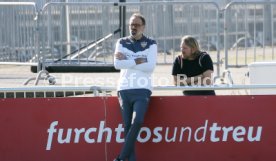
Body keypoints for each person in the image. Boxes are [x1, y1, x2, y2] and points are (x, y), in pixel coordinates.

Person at [113, 13, 157, 161]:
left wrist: (128, 58)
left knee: (137, 121)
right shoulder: (121, 41)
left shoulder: (151, 43)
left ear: (143, 27)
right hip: (124, 88)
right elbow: (117, 64)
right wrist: (140, 59)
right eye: (131, 24)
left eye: (137, 25)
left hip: (142, 88)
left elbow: (150, 67)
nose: (133, 27)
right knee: (127, 127)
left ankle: (120, 158)